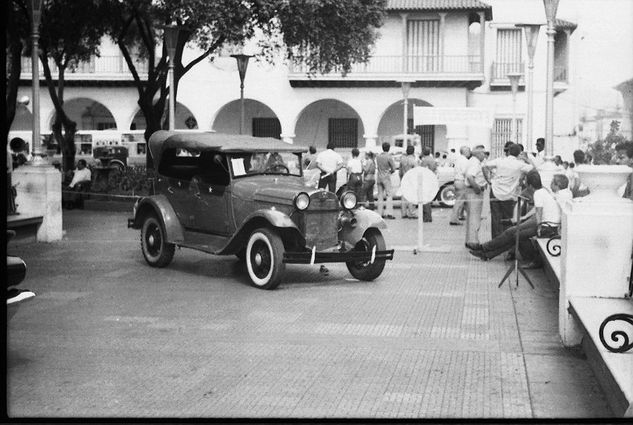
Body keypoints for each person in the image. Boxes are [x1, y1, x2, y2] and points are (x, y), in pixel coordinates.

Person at [468, 171, 560, 267]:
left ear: (530, 185)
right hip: (546, 224)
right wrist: (523, 218)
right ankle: (486, 253)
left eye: (525, 181)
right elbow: (536, 210)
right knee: (512, 232)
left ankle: (484, 249)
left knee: (515, 235)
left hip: (545, 227)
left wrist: (538, 227)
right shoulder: (542, 191)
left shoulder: (538, 194)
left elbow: (539, 213)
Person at [483, 143, 534, 239]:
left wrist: (489, 180)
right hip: (509, 194)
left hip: (495, 191)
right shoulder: (520, 164)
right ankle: (506, 241)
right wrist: (527, 159)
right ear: (519, 153)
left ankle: (495, 241)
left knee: (495, 218)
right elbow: (533, 170)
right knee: (508, 218)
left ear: (509, 152)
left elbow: (484, 166)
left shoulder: (500, 161)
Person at [463, 145, 487, 246]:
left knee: (471, 216)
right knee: (475, 217)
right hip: (474, 192)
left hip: (470, 191)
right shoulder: (475, 163)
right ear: (479, 154)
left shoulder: (472, 161)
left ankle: (469, 239)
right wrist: (477, 188)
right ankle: (473, 241)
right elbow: (469, 176)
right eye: (484, 153)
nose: (485, 155)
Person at [449, 145, 471, 225]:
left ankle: (461, 215)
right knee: (459, 201)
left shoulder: (458, 160)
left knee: (462, 200)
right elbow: (466, 172)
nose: (470, 152)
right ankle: (454, 219)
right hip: (461, 181)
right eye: (469, 151)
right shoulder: (465, 161)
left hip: (457, 181)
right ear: (466, 152)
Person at [376, 142, 396, 219]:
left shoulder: (378, 156)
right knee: (389, 195)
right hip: (386, 177)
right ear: (389, 148)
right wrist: (390, 172)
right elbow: (393, 168)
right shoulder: (389, 157)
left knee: (380, 195)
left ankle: (380, 213)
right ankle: (389, 213)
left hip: (379, 177)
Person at [399, 145, 419, 218]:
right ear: (413, 151)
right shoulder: (413, 161)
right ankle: (411, 213)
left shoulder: (403, 160)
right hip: (411, 180)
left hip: (404, 179)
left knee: (404, 197)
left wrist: (401, 178)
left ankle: (403, 213)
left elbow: (400, 171)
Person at [419, 146, 437, 222]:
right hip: (431, 178)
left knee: (425, 199)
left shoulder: (424, 160)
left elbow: (422, 170)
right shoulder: (433, 159)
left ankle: (427, 217)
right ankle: (428, 216)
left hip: (425, 180)